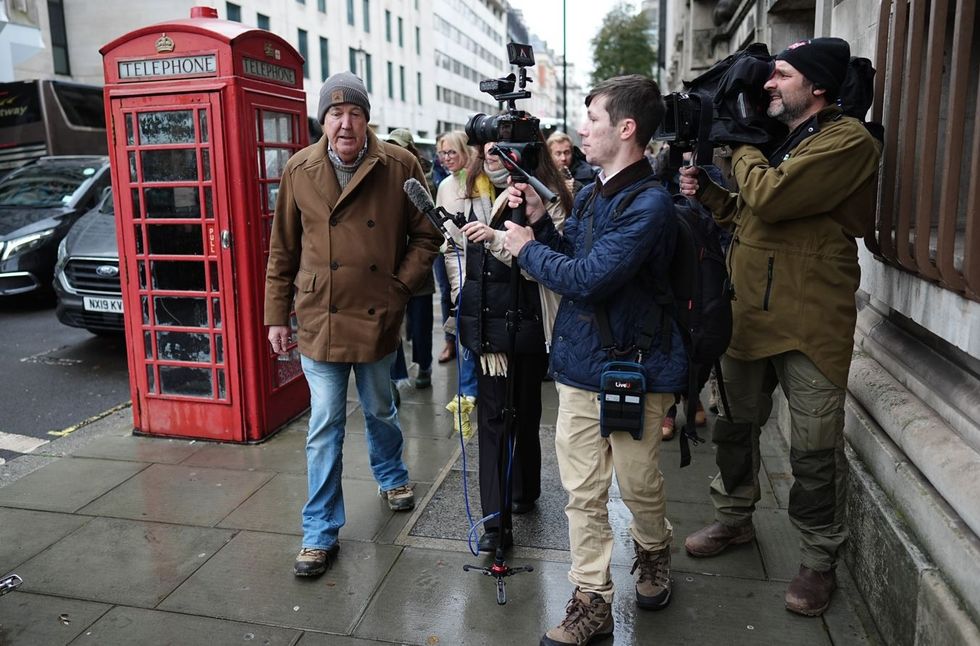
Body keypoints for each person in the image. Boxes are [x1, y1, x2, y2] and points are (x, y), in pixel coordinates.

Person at [679, 38, 882, 617]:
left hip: (810, 322)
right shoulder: (787, 138)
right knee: (733, 427)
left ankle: (819, 560)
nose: (767, 84)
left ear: (817, 87)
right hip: (749, 313)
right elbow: (753, 215)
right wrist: (715, 196)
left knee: (814, 450)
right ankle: (734, 519)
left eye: (781, 75)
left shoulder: (849, 141)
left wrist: (738, 142)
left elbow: (769, 197)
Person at [502, 75, 687, 646]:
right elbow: (572, 255)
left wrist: (525, 250)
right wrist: (538, 222)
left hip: (637, 366)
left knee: (636, 483)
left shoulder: (650, 205)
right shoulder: (590, 192)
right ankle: (592, 601)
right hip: (582, 366)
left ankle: (654, 550)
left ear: (626, 129)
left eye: (594, 120)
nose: (582, 130)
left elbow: (589, 279)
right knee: (581, 492)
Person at [264, 72, 442, 578]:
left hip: (376, 313)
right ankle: (319, 531)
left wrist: (398, 288)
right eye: (335, 114)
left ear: (367, 118)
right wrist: (277, 314)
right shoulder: (299, 169)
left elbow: (428, 236)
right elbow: (283, 250)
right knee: (324, 426)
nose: (345, 123)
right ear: (323, 120)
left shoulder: (399, 164)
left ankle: (391, 474)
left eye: (355, 113)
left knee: (381, 409)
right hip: (320, 317)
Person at [453, 140, 573, 552]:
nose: (490, 151)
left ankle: (525, 490)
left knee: (525, 411)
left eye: (501, 146)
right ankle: (495, 525)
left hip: (531, 321)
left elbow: (551, 266)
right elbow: (454, 259)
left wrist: (495, 239)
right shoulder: (463, 190)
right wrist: (461, 303)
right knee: (493, 421)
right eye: (484, 143)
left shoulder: (548, 197)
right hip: (487, 325)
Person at [435, 131, 480, 435]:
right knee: (464, 318)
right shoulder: (444, 185)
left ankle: (473, 387)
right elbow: (441, 226)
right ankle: (466, 391)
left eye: (452, 152)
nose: (446, 158)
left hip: (483, 257)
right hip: (457, 259)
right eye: (442, 153)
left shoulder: (478, 181)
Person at [387, 128, 436, 390]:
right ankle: (395, 378)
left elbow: (432, 229)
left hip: (419, 268)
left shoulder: (427, 179)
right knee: (392, 325)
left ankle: (424, 366)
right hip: (391, 266)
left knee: (420, 326)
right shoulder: (383, 177)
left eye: (401, 146)